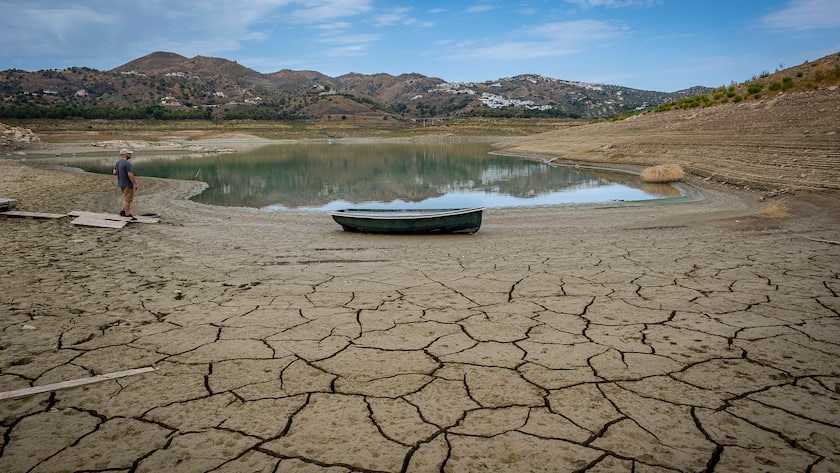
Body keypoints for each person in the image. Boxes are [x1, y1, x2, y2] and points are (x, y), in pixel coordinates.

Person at [113, 148, 139, 218]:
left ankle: (122, 211)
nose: (130, 155)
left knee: (125, 198)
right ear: (125, 154)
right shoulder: (127, 163)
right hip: (127, 184)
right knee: (128, 199)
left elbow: (114, 172)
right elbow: (130, 174)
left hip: (121, 183)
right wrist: (135, 184)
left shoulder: (118, 162)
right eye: (129, 153)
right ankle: (127, 214)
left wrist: (121, 172)